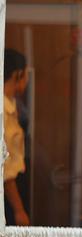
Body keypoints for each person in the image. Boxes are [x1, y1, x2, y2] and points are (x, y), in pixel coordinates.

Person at [3, 49, 29, 226]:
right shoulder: (3, 111)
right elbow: (6, 167)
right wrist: (19, 209)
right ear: (18, 74)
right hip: (9, 191)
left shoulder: (12, 104)